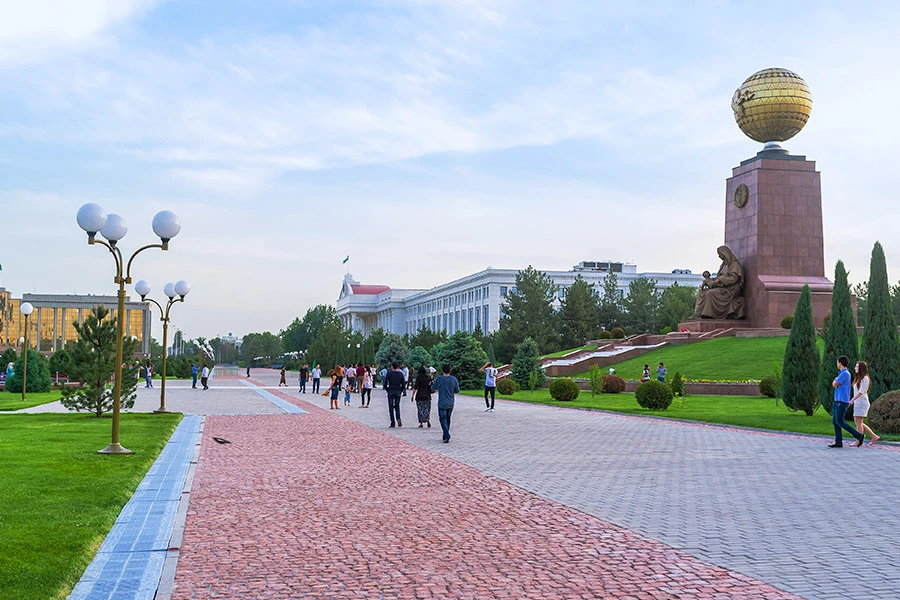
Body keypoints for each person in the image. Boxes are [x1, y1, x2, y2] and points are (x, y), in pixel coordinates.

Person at [692, 245, 746, 320]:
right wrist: (710, 280)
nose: (719, 256)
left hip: (731, 290)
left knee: (710, 293)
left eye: (719, 254)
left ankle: (709, 315)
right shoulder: (723, 265)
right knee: (702, 292)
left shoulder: (734, 264)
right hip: (722, 287)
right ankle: (697, 314)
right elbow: (718, 277)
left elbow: (734, 279)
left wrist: (722, 280)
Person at [829, 355, 865, 448]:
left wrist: (835, 380)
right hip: (837, 400)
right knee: (835, 421)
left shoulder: (845, 374)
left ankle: (858, 435)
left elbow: (835, 384)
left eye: (838, 362)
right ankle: (838, 441)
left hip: (841, 401)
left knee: (840, 421)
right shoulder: (842, 373)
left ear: (840, 363)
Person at [849, 361, 880, 445]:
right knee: (858, 422)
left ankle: (858, 440)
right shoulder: (858, 378)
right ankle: (874, 436)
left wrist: (852, 400)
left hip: (862, 402)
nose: (855, 368)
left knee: (858, 422)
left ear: (861, 368)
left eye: (857, 366)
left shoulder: (865, 378)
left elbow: (861, 391)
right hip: (858, 402)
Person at [431, 364, 460, 443]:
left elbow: (433, 388)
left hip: (442, 402)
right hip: (450, 402)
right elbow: (457, 390)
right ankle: (445, 435)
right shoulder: (454, 379)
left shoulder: (440, 379)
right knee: (448, 418)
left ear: (442, 370)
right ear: (450, 370)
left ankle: (446, 434)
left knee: (442, 419)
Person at [383, 362, 405, 427]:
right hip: (398, 391)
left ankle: (393, 422)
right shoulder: (400, 374)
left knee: (391, 407)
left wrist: (387, 390)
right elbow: (403, 385)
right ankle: (398, 418)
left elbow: (385, 383)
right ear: (398, 367)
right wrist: (400, 391)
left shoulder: (389, 373)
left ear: (392, 367)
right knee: (397, 406)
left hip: (391, 391)